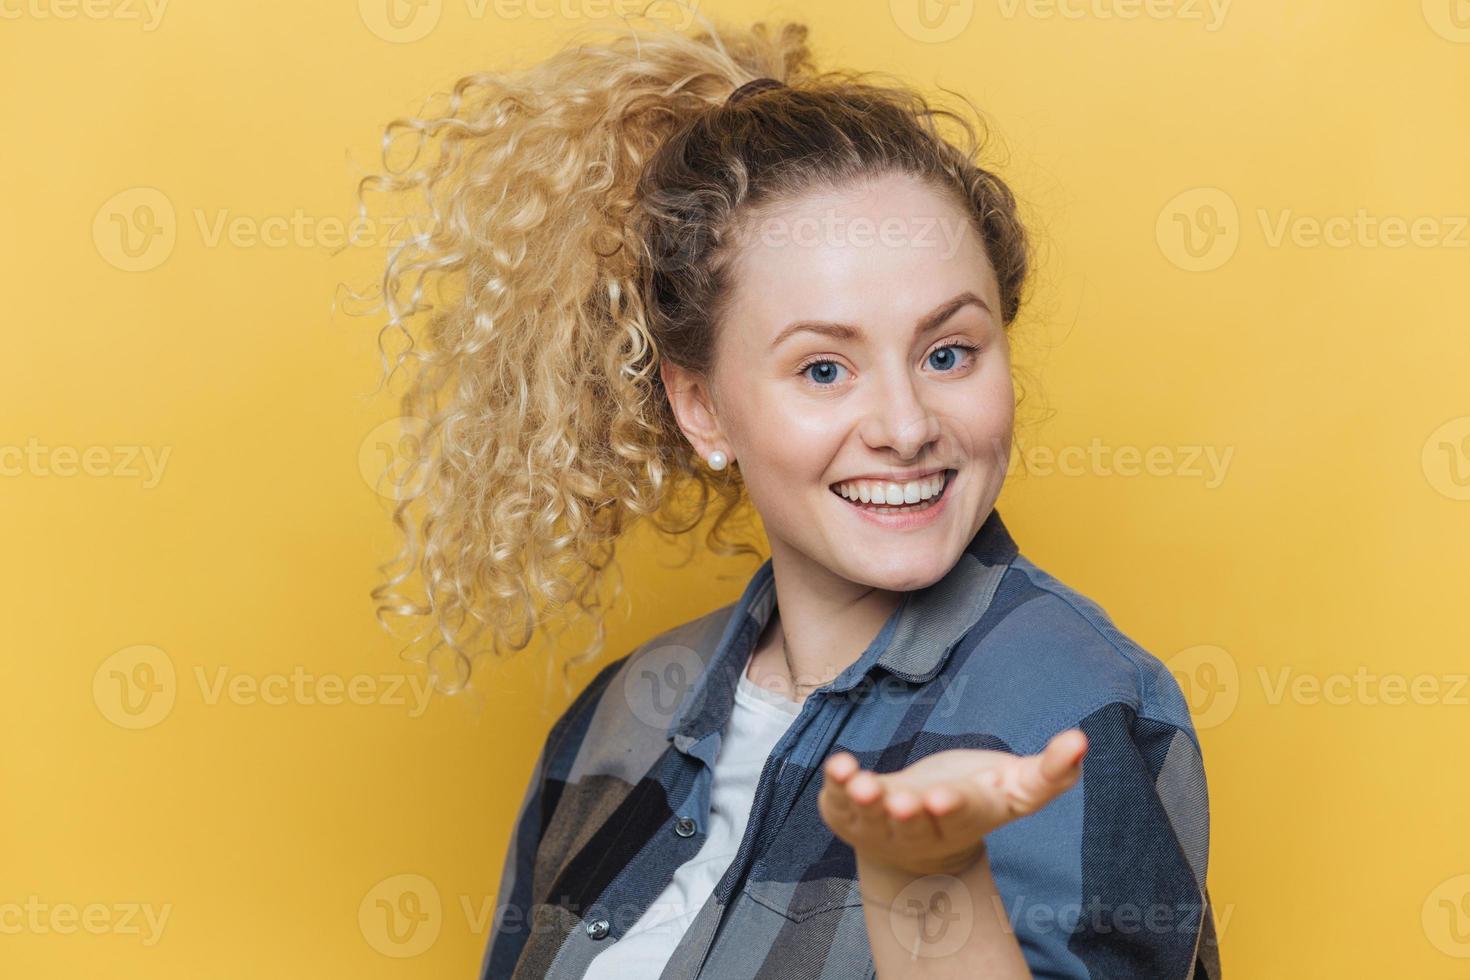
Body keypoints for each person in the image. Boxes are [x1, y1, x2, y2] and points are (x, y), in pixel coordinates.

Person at [355, 12, 1221, 979]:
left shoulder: (1075, 713)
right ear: (702, 410)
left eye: (948, 353)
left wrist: (927, 878)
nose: (904, 424)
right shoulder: (616, 723)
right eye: (822, 369)